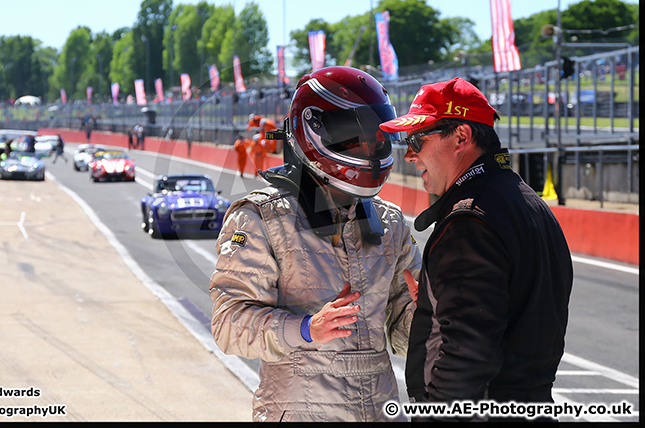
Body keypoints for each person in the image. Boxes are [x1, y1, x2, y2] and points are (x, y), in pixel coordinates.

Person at [209, 66, 421, 422]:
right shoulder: (260, 218)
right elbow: (229, 325)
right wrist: (307, 328)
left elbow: (403, 337)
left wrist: (433, 315)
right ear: (313, 130)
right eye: (355, 138)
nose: (369, 148)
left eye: (377, 138)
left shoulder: (391, 223)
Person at [379, 77, 573, 421]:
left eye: (417, 140)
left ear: (461, 137)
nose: (409, 155)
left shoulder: (470, 221)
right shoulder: (529, 202)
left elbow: (466, 353)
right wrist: (443, 299)